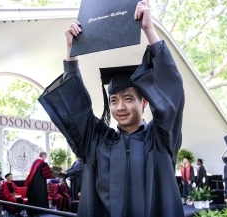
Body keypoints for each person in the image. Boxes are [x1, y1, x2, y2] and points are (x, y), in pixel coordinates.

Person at [38, 1, 185, 216]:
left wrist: (149, 29)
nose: (120, 106)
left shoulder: (160, 139)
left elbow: (171, 95)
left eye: (128, 98)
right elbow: (76, 109)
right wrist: (72, 52)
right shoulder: (97, 142)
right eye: (114, 100)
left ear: (144, 102)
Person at [24, 152, 52, 216]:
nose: (46, 157)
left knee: (34, 199)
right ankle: (40, 212)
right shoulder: (43, 164)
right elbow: (48, 175)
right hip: (40, 185)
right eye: (46, 156)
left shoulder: (35, 162)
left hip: (32, 184)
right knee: (40, 198)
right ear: (43, 156)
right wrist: (51, 171)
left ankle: (32, 212)